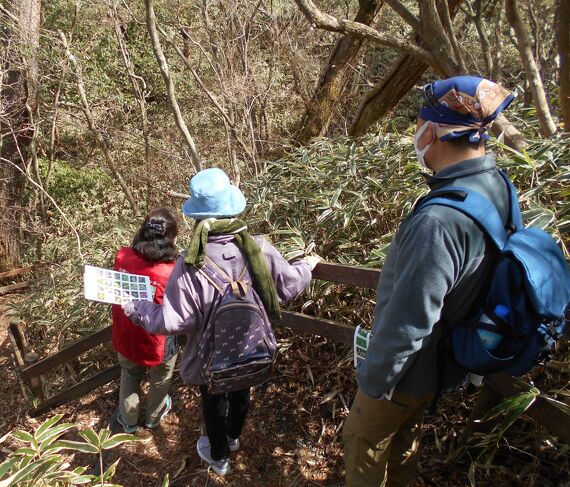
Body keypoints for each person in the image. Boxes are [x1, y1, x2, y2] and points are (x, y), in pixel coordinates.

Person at [342, 76, 516, 486]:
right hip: (449, 360)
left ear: (435, 130)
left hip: (410, 369)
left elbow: (409, 321)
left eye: (419, 123)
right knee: (405, 439)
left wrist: (374, 381)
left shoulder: (438, 221)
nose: (416, 133)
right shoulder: (497, 186)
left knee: (362, 438)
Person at [123, 167, 320, 475]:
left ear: (197, 217)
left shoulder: (190, 264)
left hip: (207, 356)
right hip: (251, 348)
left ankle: (219, 457)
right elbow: (288, 286)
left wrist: (136, 308)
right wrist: (307, 265)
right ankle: (232, 438)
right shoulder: (259, 248)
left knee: (214, 403)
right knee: (241, 393)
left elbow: (173, 321)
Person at [110, 207, 180, 440]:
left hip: (127, 330)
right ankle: (153, 416)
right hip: (160, 336)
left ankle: (128, 421)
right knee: (161, 376)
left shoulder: (122, 256)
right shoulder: (172, 270)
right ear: (171, 238)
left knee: (130, 373)